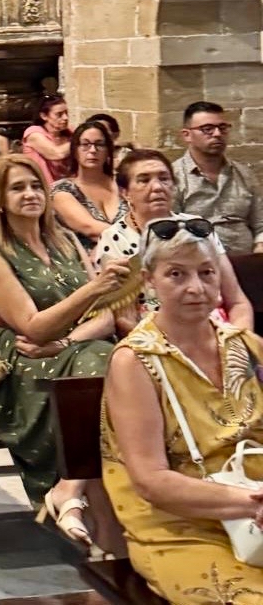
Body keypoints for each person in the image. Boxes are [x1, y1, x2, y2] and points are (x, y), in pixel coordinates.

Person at [0, 154, 129, 547]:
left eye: (36, 186)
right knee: (109, 368)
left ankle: (71, 488)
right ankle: (110, 529)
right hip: (19, 358)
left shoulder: (65, 239)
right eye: (18, 188)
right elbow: (32, 328)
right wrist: (96, 286)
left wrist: (68, 341)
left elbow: (106, 317)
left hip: (71, 346)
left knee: (109, 363)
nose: (30, 195)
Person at [102, 218, 263, 604]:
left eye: (207, 273)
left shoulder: (246, 345)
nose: (196, 288)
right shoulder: (135, 361)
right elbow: (150, 481)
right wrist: (252, 504)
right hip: (183, 525)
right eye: (176, 274)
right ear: (149, 280)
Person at [93, 148, 253, 331]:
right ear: (125, 192)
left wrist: (240, 343)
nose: (157, 187)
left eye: (164, 178)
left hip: (216, 331)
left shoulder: (198, 228)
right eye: (144, 180)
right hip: (154, 339)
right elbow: (124, 321)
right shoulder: (114, 239)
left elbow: (238, 302)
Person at [173, 101, 263, 256]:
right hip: (199, 264)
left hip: (249, 261)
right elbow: (171, 231)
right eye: (207, 129)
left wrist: (260, 249)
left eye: (222, 128)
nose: (217, 134)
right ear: (187, 135)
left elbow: (260, 224)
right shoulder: (174, 177)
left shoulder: (243, 174)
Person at [50, 121, 127, 250]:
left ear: (108, 150)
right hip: (87, 263)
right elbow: (90, 228)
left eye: (99, 144)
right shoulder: (62, 190)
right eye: (85, 144)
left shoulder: (123, 182)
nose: (93, 150)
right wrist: (141, 237)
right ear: (75, 150)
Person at [21, 95, 72, 185]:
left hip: (67, 186)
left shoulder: (70, 133)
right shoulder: (33, 133)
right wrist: (79, 140)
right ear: (44, 116)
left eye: (66, 113)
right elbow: (56, 153)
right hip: (43, 187)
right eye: (59, 114)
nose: (65, 118)